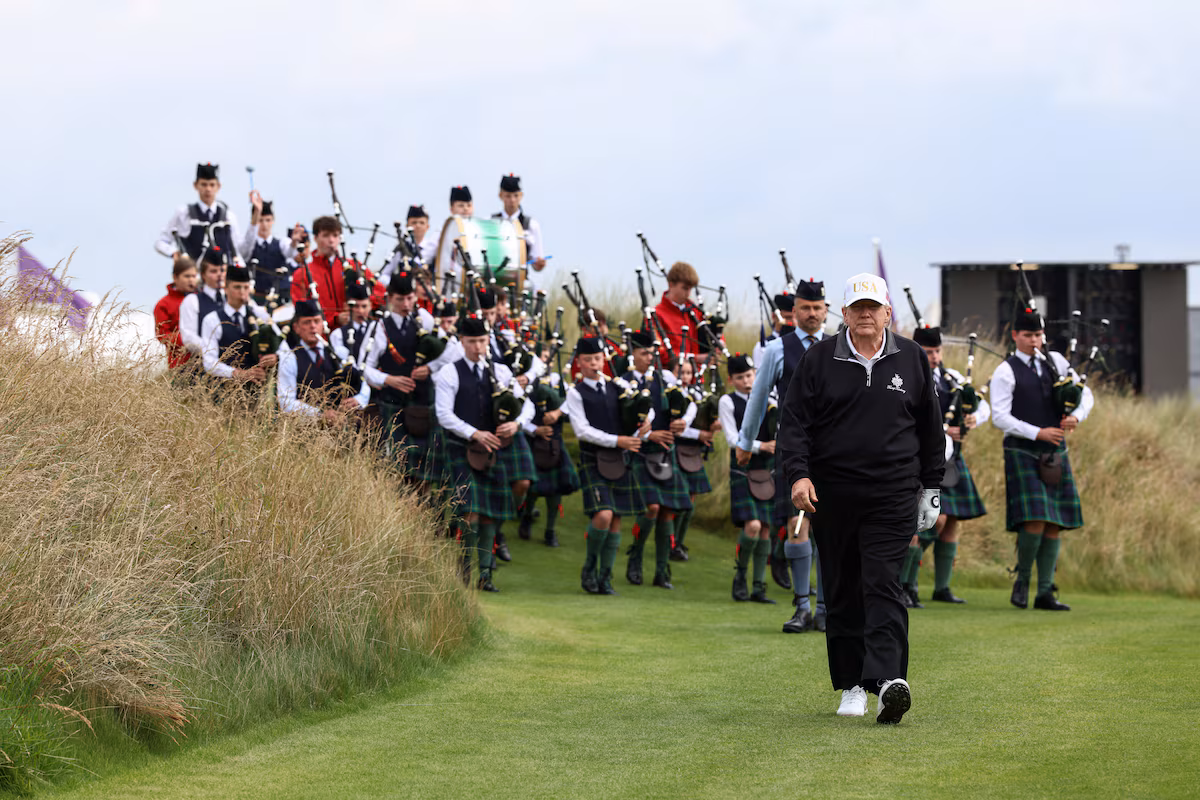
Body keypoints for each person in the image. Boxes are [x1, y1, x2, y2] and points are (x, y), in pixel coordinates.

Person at [778, 272, 944, 724]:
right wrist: (798, 476)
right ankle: (853, 684)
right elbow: (794, 426)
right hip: (832, 494)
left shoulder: (911, 357)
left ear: (887, 312)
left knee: (882, 582)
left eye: (874, 307)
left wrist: (932, 487)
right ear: (844, 314)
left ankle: (889, 680)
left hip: (892, 493)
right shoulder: (817, 360)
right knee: (844, 587)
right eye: (858, 308)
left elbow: (931, 428)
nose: (866, 314)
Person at [736, 279, 830, 633]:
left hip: (835, 453)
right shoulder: (778, 349)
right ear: (794, 311)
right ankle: (801, 607)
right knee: (797, 526)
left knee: (829, 529)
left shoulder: (840, 346)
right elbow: (758, 398)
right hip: (794, 449)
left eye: (817, 308)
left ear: (826, 310)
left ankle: (825, 609)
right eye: (805, 307)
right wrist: (745, 442)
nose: (811, 314)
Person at [988, 307, 1093, 612]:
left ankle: (1045, 592)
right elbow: (999, 417)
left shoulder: (1057, 362)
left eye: (1038, 334)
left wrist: (1075, 417)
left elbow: (1085, 395)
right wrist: (1038, 433)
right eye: (1028, 335)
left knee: (1054, 523)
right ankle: (1022, 581)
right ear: (1015, 336)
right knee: (1034, 517)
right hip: (1023, 450)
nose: (1035, 340)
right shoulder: (1005, 371)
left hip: (1054, 451)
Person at [434, 315, 529, 593]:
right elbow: (443, 415)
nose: (478, 347)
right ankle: (463, 568)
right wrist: (474, 433)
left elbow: (527, 405)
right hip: (462, 448)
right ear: (462, 342)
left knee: (489, 514)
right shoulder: (449, 373)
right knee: (469, 513)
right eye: (472, 341)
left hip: (492, 451)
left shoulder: (500, 373)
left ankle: (485, 575)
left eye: (482, 341)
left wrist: (517, 423)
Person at [900, 326, 992, 606]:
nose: (935, 357)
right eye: (929, 352)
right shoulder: (904, 378)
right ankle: (907, 586)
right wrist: (943, 430)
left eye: (937, 351)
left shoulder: (951, 379)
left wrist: (974, 418)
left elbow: (980, 405)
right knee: (923, 521)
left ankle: (942, 588)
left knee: (951, 521)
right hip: (917, 458)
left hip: (950, 459)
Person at [564, 337, 645, 594]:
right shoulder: (575, 393)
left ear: (604, 360)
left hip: (619, 460)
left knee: (617, 520)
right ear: (579, 363)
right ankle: (589, 569)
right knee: (603, 515)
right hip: (593, 459)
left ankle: (606, 578)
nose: (593, 364)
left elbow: (643, 409)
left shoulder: (618, 386)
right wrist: (617, 440)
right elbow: (582, 431)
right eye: (587, 360)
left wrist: (645, 422)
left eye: (597, 359)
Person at [363, 271, 459, 480]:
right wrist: (388, 379)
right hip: (392, 404)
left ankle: (423, 508)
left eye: (410, 298)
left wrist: (431, 368)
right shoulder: (379, 326)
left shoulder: (423, 318)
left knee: (425, 471)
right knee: (396, 466)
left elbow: (454, 349)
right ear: (390, 298)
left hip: (423, 404)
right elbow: (365, 367)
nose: (406, 304)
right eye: (400, 299)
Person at [622, 330, 696, 590]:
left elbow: (691, 401)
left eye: (652, 354)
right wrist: (651, 434)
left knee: (668, 511)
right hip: (641, 452)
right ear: (632, 354)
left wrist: (683, 421)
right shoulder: (624, 381)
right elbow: (620, 419)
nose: (649, 358)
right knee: (651, 508)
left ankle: (662, 571)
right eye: (644, 353)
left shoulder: (664, 378)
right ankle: (636, 556)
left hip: (665, 453)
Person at [720, 354, 778, 604]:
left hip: (767, 467)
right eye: (740, 377)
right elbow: (732, 439)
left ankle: (759, 586)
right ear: (731, 379)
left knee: (765, 529)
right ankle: (740, 576)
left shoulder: (769, 399)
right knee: (752, 525)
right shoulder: (727, 401)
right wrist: (761, 446)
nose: (746, 381)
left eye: (749, 375)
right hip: (744, 465)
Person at [277, 300, 370, 422]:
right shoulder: (289, 358)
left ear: (322, 324)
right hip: (305, 430)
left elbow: (363, 383)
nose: (313, 326)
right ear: (296, 328)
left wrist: (359, 399)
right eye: (307, 322)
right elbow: (286, 402)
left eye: (316, 321)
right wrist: (319, 415)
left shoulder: (338, 352)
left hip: (341, 426)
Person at [517, 368, 580, 548]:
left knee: (556, 491)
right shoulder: (529, 386)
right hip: (533, 443)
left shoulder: (561, 383)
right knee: (533, 488)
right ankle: (527, 516)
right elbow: (520, 416)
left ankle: (550, 530)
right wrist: (535, 429)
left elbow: (573, 402)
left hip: (555, 445)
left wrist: (557, 413)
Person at [198, 264, 279, 397]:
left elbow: (283, 346)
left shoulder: (260, 315)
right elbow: (209, 362)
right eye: (237, 287)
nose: (242, 291)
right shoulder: (212, 319)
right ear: (226, 288)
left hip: (257, 390)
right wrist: (238, 373)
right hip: (223, 392)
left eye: (246, 287)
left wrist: (275, 357)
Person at [670, 356, 714, 562]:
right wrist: (700, 435)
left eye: (688, 373)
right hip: (676, 448)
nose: (685, 377)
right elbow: (676, 427)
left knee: (690, 501)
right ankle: (670, 542)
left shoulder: (697, 395)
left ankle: (678, 541)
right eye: (681, 372)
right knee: (677, 501)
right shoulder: (671, 395)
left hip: (693, 452)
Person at [156, 163, 244, 264]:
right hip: (194, 276)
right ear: (195, 185)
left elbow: (238, 249)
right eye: (204, 184)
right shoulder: (184, 213)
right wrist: (174, 253)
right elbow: (161, 242)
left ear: (218, 186)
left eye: (212, 185)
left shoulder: (228, 216)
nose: (208, 189)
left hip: (223, 275)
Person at [289, 215, 355, 332]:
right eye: (326, 235)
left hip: (353, 332)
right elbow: (303, 312)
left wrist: (357, 310)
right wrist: (335, 319)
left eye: (335, 235)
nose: (331, 241)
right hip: (321, 338)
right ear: (315, 238)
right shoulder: (302, 274)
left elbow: (377, 295)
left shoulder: (353, 266)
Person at [492, 174, 547, 290]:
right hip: (495, 283)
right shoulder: (491, 222)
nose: (512, 200)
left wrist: (539, 264)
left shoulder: (531, 224)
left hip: (521, 283)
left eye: (515, 196)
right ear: (500, 195)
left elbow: (537, 263)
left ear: (521, 196)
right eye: (508, 196)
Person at [243, 192, 299, 307]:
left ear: (273, 220)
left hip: (280, 299)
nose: (264, 225)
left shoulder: (281, 243)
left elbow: (290, 253)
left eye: (268, 220)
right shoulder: (249, 246)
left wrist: (294, 242)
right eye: (260, 220)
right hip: (257, 299)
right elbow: (245, 248)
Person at [178, 249, 227, 359]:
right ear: (203, 275)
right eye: (213, 271)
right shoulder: (192, 301)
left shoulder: (234, 299)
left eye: (222, 270)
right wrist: (215, 352)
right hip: (203, 369)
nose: (220, 275)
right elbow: (189, 338)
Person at [153, 256, 197, 371]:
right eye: (187, 276)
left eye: (194, 276)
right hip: (180, 365)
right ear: (175, 277)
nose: (191, 280)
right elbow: (162, 336)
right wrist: (189, 340)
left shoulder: (202, 299)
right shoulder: (163, 304)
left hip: (207, 363)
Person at [653, 262, 703, 357]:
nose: (688, 294)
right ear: (671, 285)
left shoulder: (695, 311)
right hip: (669, 370)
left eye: (690, 289)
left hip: (697, 369)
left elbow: (710, 334)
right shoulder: (656, 314)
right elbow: (659, 352)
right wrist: (694, 358)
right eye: (684, 288)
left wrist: (720, 341)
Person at [329, 284, 373, 366]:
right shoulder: (338, 334)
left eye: (364, 306)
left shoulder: (376, 329)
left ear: (370, 307)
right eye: (356, 306)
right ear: (346, 307)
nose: (360, 311)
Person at [753, 291, 797, 365]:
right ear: (774, 316)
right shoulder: (763, 346)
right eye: (788, 317)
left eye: (796, 318)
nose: (794, 322)